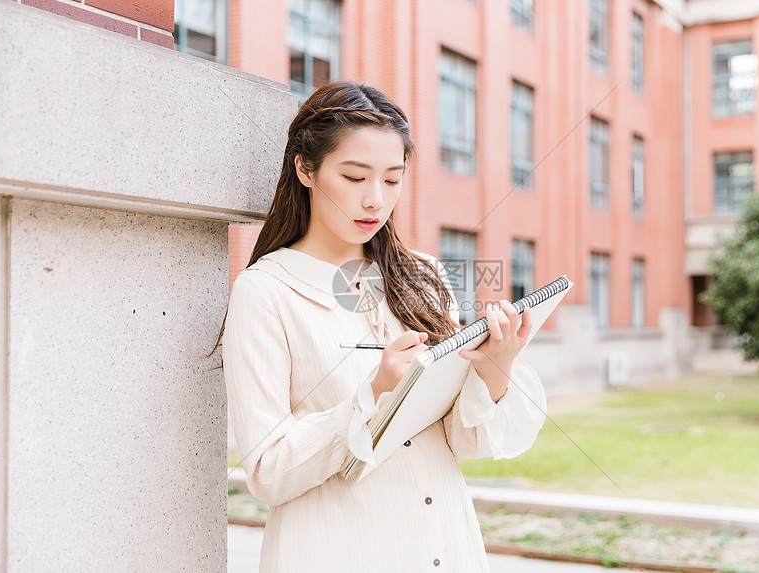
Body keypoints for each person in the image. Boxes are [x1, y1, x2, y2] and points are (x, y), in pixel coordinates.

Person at [220, 78, 547, 572]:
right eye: (354, 177)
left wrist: (494, 368)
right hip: (341, 552)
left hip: (447, 547)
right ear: (305, 169)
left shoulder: (423, 275)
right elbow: (268, 472)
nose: (375, 199)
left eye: (392, 179)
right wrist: (371, 394)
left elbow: (465, 443)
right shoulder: (266, 291)